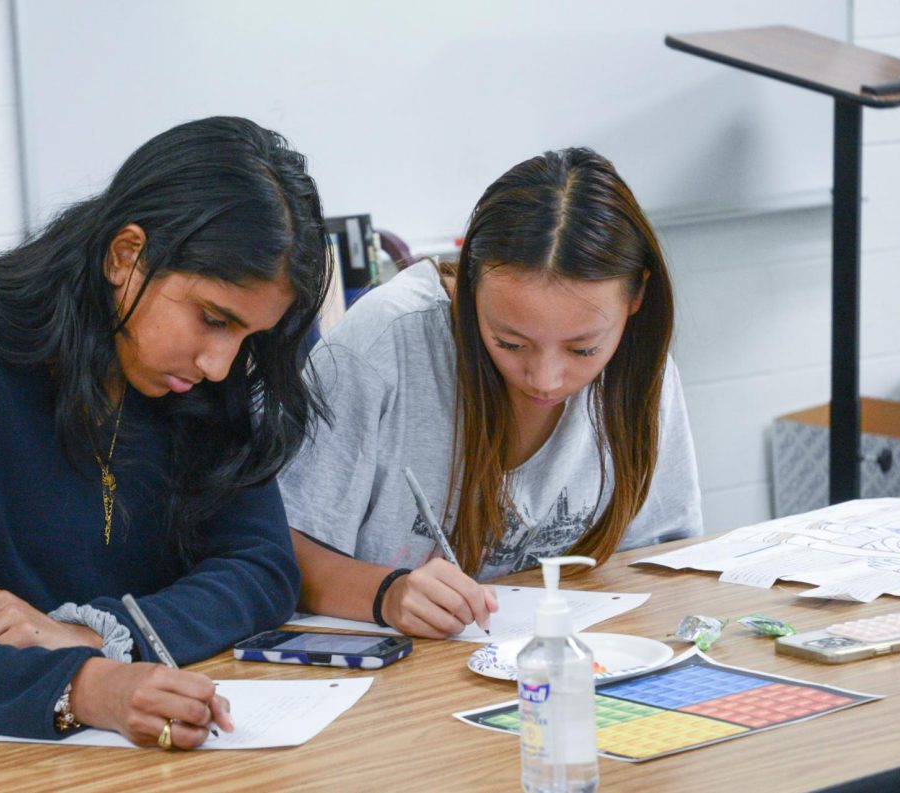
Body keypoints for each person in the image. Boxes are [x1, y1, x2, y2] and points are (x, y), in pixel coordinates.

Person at [0, 116, 330, 748]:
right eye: (210, 319)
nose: (219, 364)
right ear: (127, 256)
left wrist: (98, 633)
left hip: (142, 752)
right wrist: (89, 686)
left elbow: (261, 569)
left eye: (247, 337)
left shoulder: (206, 376)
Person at [279, 148, 703, 639]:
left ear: (637, 297)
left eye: (583, 349)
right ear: (470, 287)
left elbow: (659, 554)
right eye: (510, 343)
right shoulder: (381, 347)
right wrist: (387, 593)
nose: (544, 379)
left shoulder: (639, 366)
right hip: (393, 672)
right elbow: (280, 553)